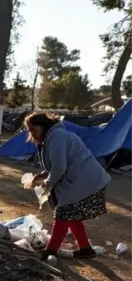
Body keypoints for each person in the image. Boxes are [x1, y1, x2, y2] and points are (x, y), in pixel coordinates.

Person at [24, 111, 111, 259]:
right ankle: (85, 249)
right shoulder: (53, 137)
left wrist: (47, 183)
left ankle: (51, 251)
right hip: (81, 180)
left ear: (43, 126)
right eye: (29, 130)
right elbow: (57, 164)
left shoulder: (57, 137)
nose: (32, 134)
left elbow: (59, 167)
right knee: (72, 216)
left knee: (63, 214)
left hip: (85, 180)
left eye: (33, 129)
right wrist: (42, 175)